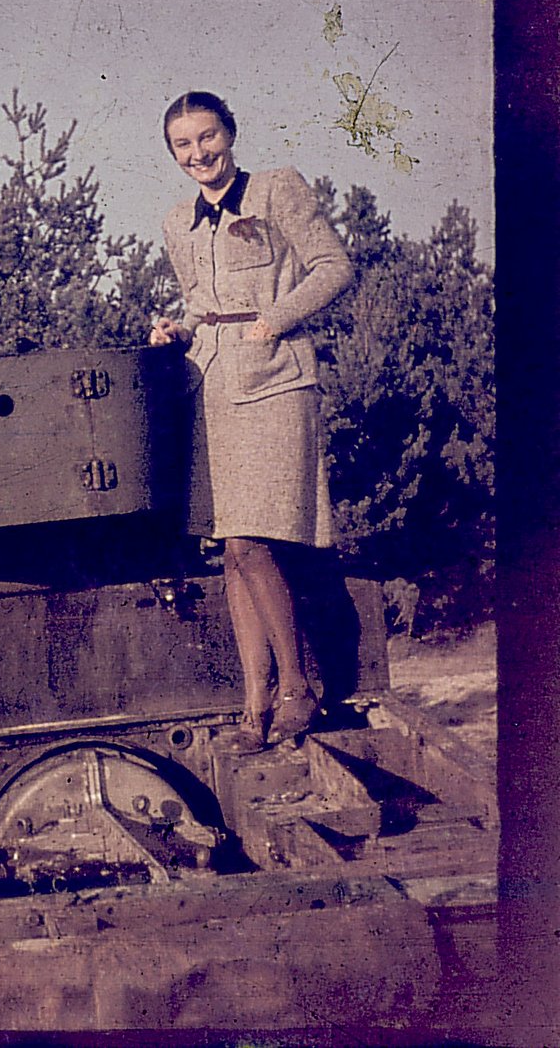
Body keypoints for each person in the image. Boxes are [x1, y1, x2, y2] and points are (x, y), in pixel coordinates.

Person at [150, 91, 353, 751]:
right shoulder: (176, 221)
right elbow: (200, 301)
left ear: (229, 134)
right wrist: (177, 328)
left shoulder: (276, 189)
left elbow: (334, 268)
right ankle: (254, 705)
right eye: (183, 145)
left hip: (275, 380)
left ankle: (297, 687)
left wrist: (278, 318)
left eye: (207, 138)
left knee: (252, 544)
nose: (197, 154)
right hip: (215, 385)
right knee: (232, 551)